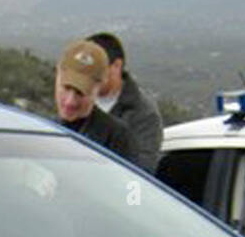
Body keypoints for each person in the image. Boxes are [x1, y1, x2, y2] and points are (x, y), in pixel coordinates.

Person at [87, 31, 163, 172]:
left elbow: (142, 170)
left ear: (116, 66)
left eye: (96, 69)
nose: (89, 76)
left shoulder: (143, 115)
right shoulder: (75, 102)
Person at [53, 39, 137, 165]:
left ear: (99, 88)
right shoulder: (43, 128)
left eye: (80, 93)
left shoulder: (115, 138)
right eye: (66, 88)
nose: (70, 101)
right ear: (57, 76)